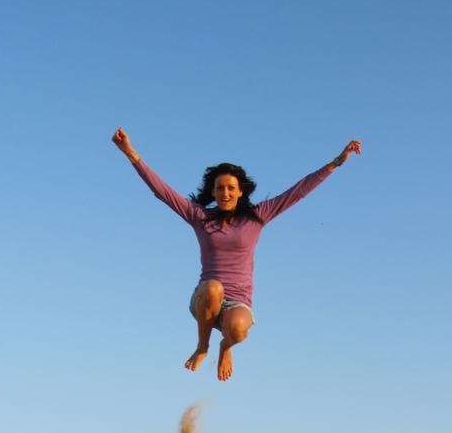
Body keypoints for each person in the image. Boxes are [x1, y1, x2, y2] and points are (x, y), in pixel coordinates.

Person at [112, 127, 361, 381]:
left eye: (231, 188)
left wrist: (336, 162)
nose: (225, 193)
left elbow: (298, 191)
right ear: (214, 192)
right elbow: (162, 192)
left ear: (240, 191)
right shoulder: (200, 217)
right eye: (220, 189)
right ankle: (203, 346)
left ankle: (225, 347)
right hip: (206, 301)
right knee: (213, 288)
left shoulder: (257, 217)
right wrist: (131, 153)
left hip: (238, 304)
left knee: (239, 329)